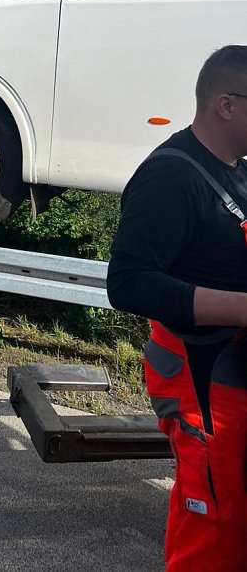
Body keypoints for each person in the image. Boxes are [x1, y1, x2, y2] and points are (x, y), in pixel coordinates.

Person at [107, 45, 247, 571]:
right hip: (199, 377)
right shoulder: (171, 177)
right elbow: (127, 284)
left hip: (233, 373)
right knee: (211, 531)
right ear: (226, 105)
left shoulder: (236, 169)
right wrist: (241, 309)